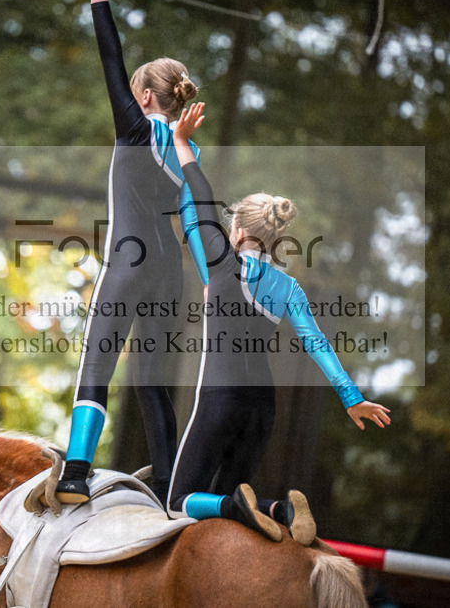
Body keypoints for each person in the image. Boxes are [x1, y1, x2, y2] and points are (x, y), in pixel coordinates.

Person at [165, 102, 392, 543]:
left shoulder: (220, 261)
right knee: (234, 511)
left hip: (220, 399)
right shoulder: (289, 287)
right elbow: (317, 343)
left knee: (178, 502)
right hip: (262, 408)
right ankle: (280, 508)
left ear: (236, 231)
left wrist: (181, 144)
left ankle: (239, 504)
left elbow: (196, 202)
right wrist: (352, 398)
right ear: (275, 239)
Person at [55, 0, 208, 506]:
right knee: (151, 382)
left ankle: (76, 472)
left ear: (144, 98)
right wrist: (212, 276)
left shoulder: (135, 127)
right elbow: (197, 218)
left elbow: (110, 58)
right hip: (170, 272)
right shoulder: (189, 153)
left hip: (128, 261)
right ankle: (170, 488)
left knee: (96, 363)